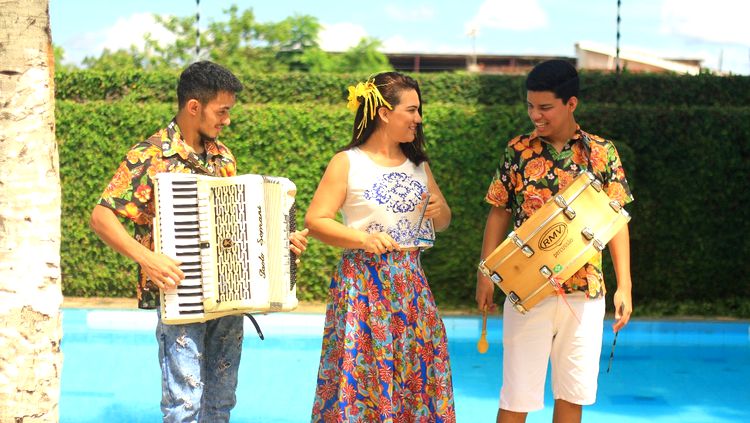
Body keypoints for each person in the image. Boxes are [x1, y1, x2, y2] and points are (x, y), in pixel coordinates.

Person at [89, 60, 309, 422]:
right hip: (180, 294)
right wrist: (147, 258)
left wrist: (279, 244)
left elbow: (238, 229)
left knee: (221, 403)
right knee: (184, 406)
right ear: (195, 107)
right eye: (222, 111)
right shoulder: (150, 155)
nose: (227, 120)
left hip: (230, 299)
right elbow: (102, 216)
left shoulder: (223, 157)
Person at [475, 59, 634, 423]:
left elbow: (616, 220)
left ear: (571, 103)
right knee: (516, 396)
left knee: (571, 394)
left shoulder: (602, 152)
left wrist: (624, 284)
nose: (536, 115)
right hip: (524, 291)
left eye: (545, 107)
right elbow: (498, 211)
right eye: (530, 106)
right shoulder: (517, 150)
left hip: (585, 290)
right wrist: (486, 272)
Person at [305, 71, 456, 422]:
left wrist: (440, 210)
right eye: (412, 110)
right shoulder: (347, 162)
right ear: (385, 113)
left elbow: (444, 218)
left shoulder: (419, 164)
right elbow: (317, 220)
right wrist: (364, 239)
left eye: (420, 112)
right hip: (362, 287)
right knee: (362, 376)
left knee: (415, 374)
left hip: (411, 286)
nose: (418, 119)